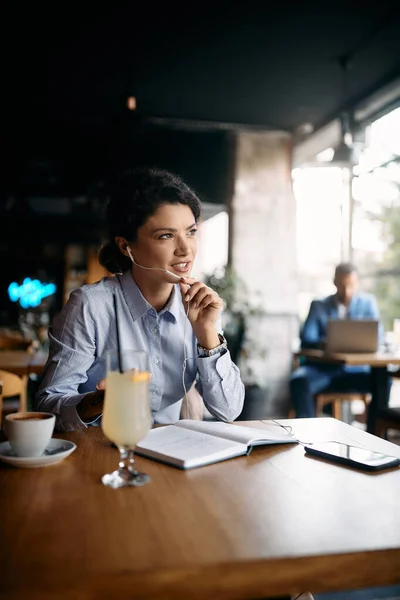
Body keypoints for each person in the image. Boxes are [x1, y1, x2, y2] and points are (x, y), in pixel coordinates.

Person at [36, 167, 245, 431]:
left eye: (190, 232)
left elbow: (228, 410)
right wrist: (97, 402)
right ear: (126, 246)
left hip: (173, 453)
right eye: (166, 236)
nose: (185, 249)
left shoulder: (200, 306)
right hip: (101, 454)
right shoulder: (91, 306)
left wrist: (206, 333)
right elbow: (46, 406)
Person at [290, 262, 383, 418]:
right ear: (334, 282)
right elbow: (307, 337)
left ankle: (377, 431)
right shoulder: (319, 305)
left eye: (351, 285)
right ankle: (305, 434)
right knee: (299, 381)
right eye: (342, 285)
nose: (347, 291)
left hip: (357, 372)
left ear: (357, 283)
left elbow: (377, 337)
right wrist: (327, 343)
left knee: (383, 382)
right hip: (324, 370)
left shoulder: (368, 304)